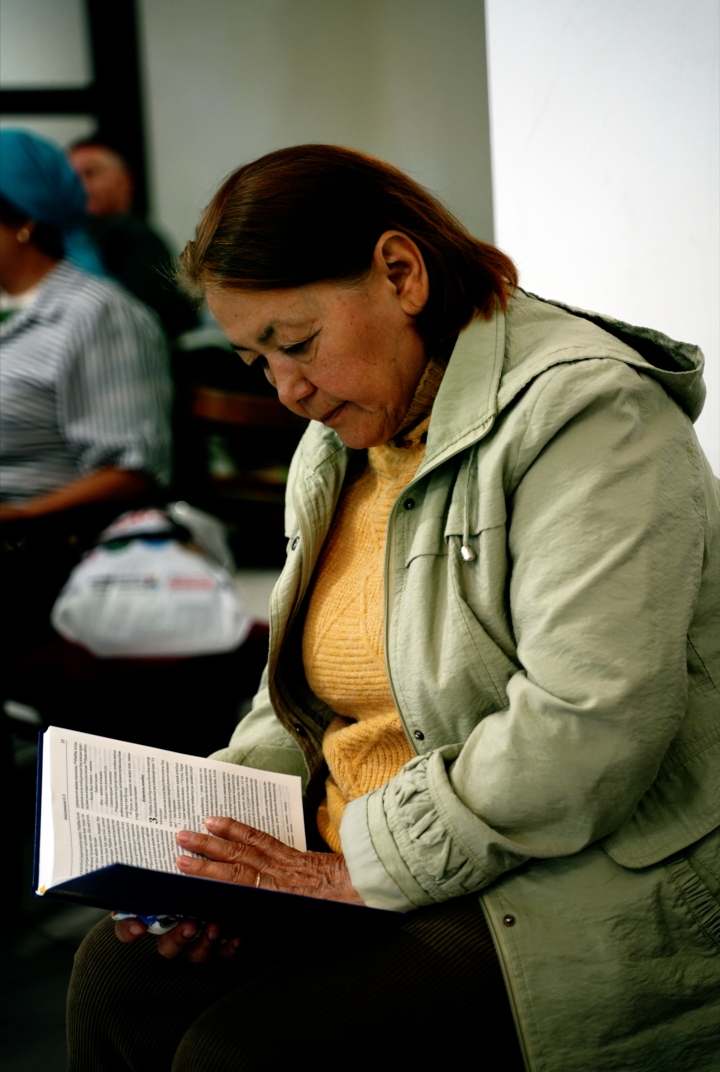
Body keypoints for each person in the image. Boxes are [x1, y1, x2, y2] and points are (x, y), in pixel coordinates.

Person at [67, 145, 719, 1071]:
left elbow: (589, 722)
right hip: (373, 852)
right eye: (256, 359)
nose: (287, 389)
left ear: (401, 273)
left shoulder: (591, 416)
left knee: (243, 1054)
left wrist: (356, 871)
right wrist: (222, 853)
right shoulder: (337, 439)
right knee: (118, 980)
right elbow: (294, 695)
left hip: (577, 872)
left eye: (297, 343)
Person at [0, 129, 172, 652]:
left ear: (24, 221)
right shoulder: (13, 310)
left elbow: (132, 469)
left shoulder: (98, 314)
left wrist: (23, 516)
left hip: (40, 549)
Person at [68, 137, 198, 339]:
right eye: (72, 178)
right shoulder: (77, 240)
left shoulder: (137, 239)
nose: (80, 186)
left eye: (90, 173)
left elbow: (130, 325)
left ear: (125, 182)